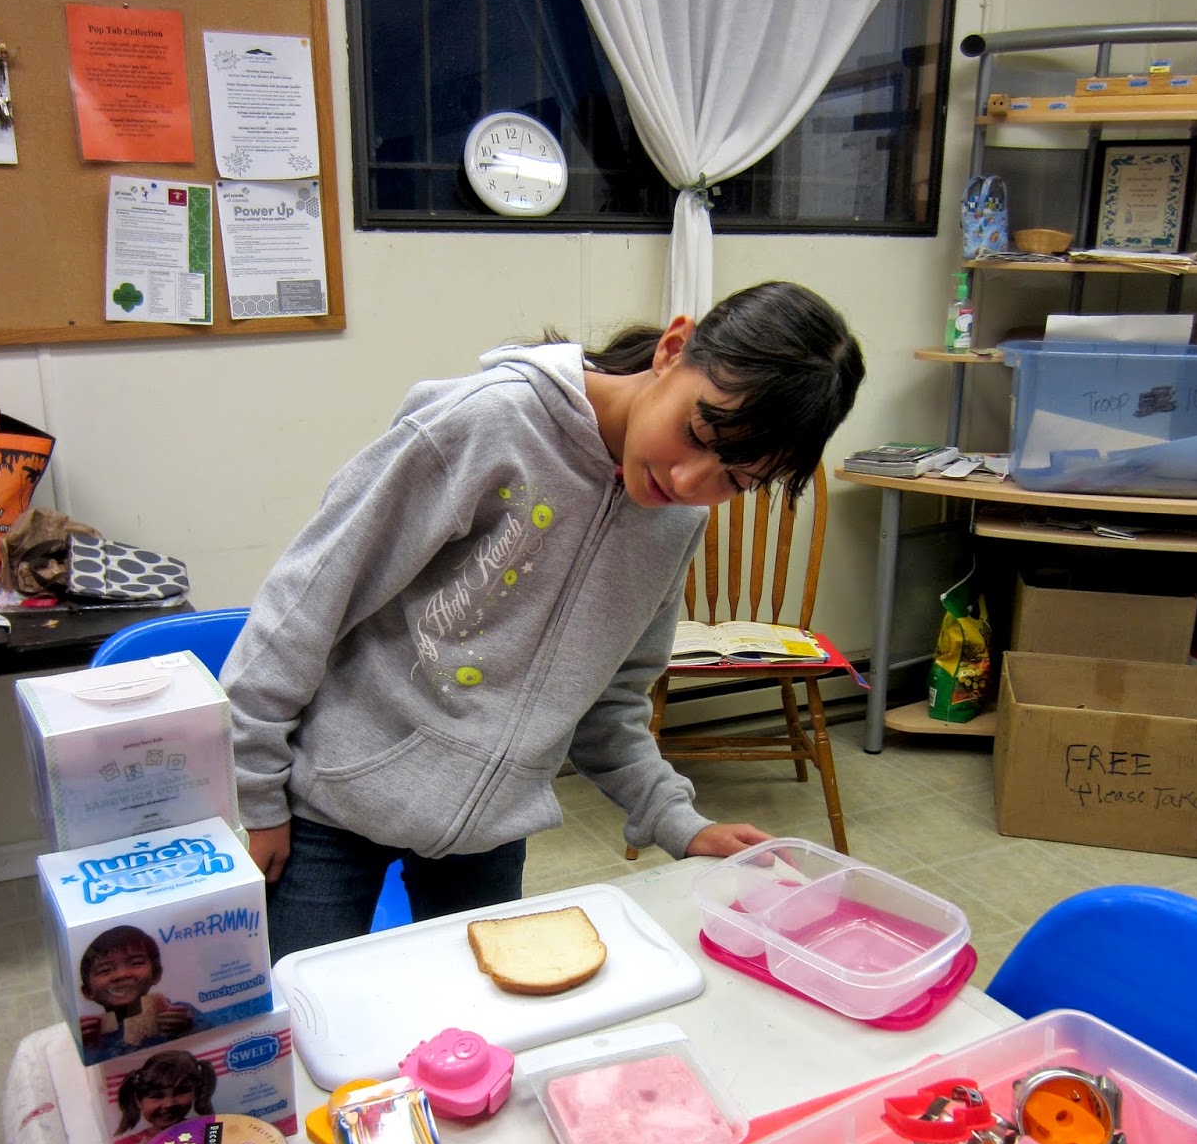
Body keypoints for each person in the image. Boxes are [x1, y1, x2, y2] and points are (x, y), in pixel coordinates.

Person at [222, 280, 865, 960]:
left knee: (481, 1013)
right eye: (697, 434)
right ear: (673, 349)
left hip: (489, 832)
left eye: (735, 480)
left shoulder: (675, 522)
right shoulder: (489, 423)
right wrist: (254, 793)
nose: (688, 481)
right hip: (327, 809)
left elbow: (612, 703)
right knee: (305, 1009)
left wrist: (676, 818)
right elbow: (303, 606)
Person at [79, 925, 195, 1053]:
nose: (121, 975)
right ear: (88, 991)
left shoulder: (182, 1013)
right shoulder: (89, 1032)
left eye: (136, 963)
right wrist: (84, 1045)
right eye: (105, 970)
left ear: (156, 974)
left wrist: (188, 1028)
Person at [115, 1049, 217, 1140]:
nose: (169, 1103)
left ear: (195, 1092)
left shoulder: (212, 1135)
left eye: (180, 1092)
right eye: (157, 1095)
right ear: (138, 1100)